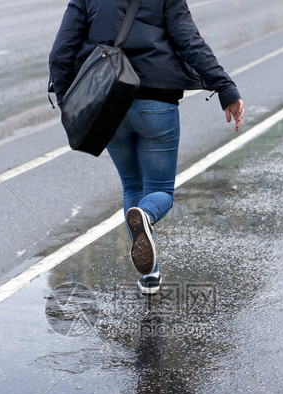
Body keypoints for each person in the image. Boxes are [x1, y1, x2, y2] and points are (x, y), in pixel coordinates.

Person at [49, 0, 244, 295]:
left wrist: (70, 105)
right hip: (156, 102)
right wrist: (225, 87)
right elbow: (189, 40)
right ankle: (148, 217)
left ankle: (150, 274)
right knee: (160, 191)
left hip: (108, 105)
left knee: (131, 185)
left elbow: (59, 53)